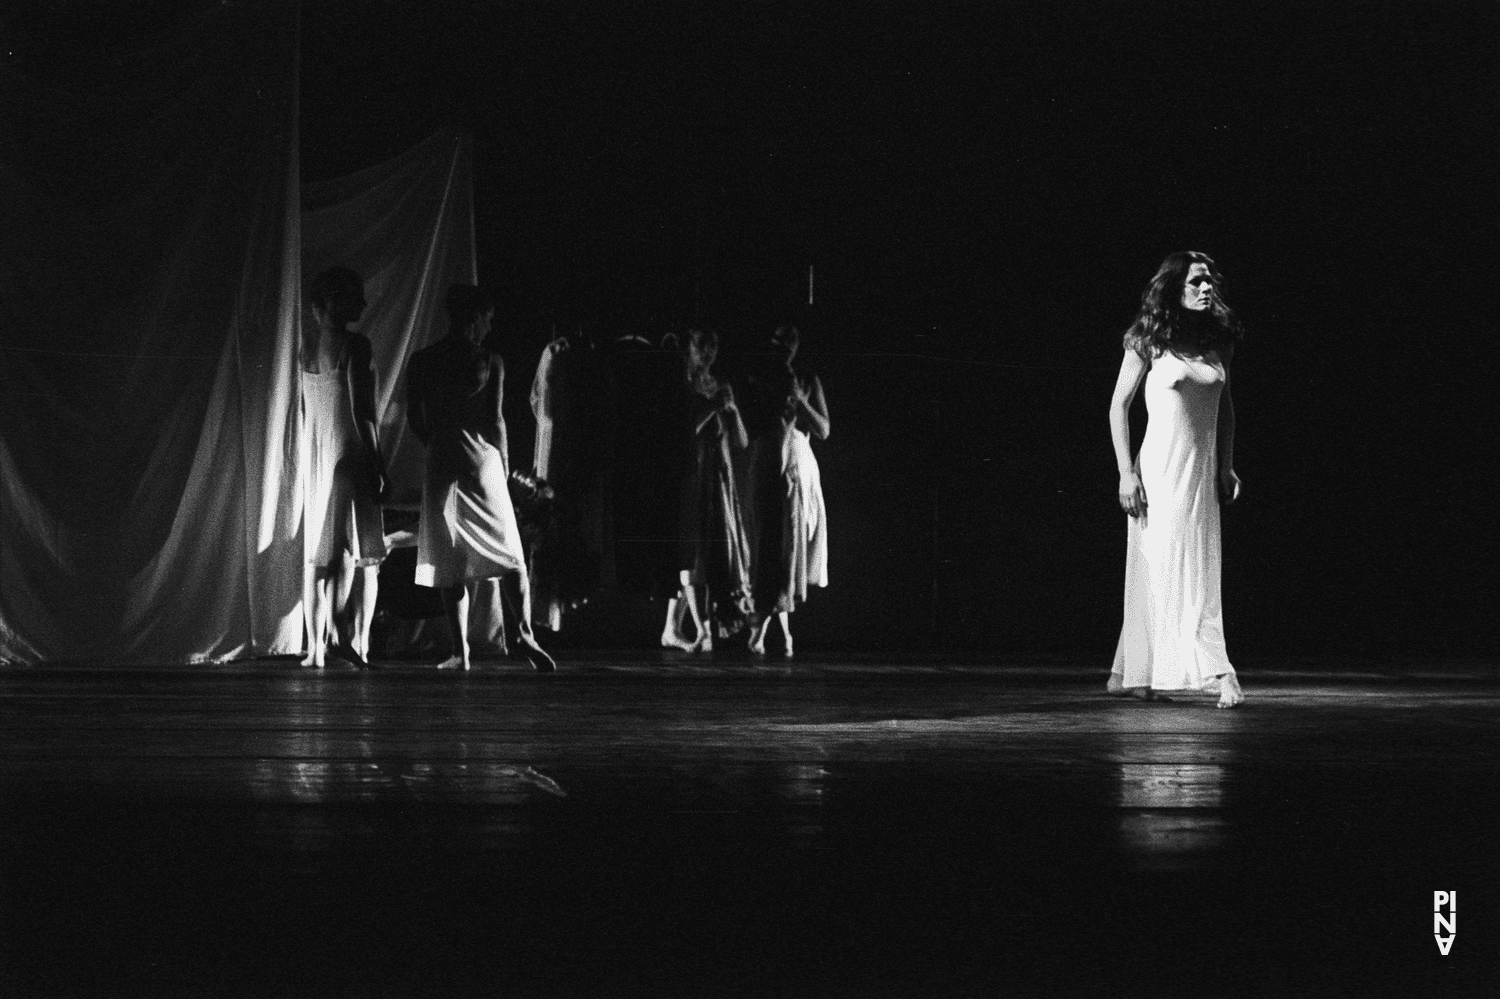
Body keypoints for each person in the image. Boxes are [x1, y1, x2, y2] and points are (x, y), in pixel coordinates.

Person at [1108, 251, 1245, 708]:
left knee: (1200, 569)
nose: (1206, 289)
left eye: (1209, 282)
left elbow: (1225, 409)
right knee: (1158, 568)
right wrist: (1126, 473)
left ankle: (1163, 671)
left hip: (1200, 474)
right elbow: (1118, 406)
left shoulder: (1217, 340)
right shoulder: (1147, 340)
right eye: (1196, 282)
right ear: (1174, 289)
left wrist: (1225, 465)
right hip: (1159, 473)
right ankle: (1209, 672)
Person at [405, 284, 554, 672]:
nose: (490, 326)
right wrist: (503, 467)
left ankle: (461, 651)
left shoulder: (423, 360)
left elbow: (414, 418)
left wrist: (438, 441)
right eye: (487, 319)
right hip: (482, 460)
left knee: (449, 557)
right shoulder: (490, 361)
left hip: (443, 458)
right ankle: (523, 633)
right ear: (474, 318)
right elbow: (495, 420)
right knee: (509, 550)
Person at [300, 266, 387, 669]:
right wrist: (378, 463)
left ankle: (320, 646)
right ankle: (346, 637)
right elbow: (362, 411)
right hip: (349, 453)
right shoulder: (356, 345)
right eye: (356, 296)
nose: (364, 304)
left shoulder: (306, 350)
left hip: (319, 458)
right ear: (334, 300)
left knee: (323, 556)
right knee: (355, 552)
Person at [660, 327, 753, 653]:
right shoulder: (683, 384)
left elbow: (741, 441)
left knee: (711, 552)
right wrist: (712, 406)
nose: (709, 352)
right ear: (690, 346)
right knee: (691, 549)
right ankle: (701, 631)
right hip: (692, 473)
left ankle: (674, 627)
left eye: (714, 345)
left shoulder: (720, 385)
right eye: (703, 344)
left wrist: (732, 411)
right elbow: (682, 433)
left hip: (718, 476)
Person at [742, 325, 830, 657]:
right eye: (779, 339)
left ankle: (768, 630)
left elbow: (823, 429)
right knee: (772, 543)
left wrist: (802, 401)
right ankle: (770, 630)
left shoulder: (806, 379)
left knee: (791, 544)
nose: (785, 346)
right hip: (770, 456)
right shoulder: (762, 377)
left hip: (799, 463)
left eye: (791, 340)